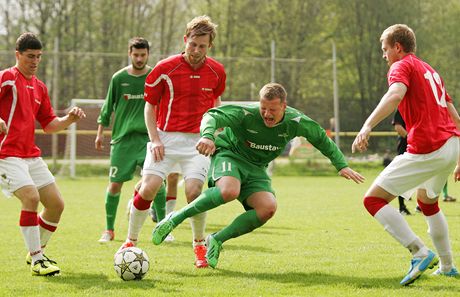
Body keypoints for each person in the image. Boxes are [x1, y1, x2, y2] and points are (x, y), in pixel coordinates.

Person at [152, 82, 364, 268]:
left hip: (257, 168)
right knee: (229, 190)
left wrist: (341, 165)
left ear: (284, 106)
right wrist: (207, 136)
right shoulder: (246, 113)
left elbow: (321, 138)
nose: (267, 114)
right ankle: (173, 219)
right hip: (230, 155)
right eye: (263, 108)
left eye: (273, 109)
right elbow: (213, 115)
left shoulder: (296, 121)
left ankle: (216, 240)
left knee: (267, 208)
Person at [352, 24, 460, 286]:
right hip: (451, 145)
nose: (384, 55)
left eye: (385, 49)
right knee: (428, 203)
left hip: (429, 148)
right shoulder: (431, 71)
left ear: (397, 47)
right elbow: (453, 115)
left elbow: (395, 94)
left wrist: (367, 125)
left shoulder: (401, 66)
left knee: (373, 200)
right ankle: (447, 266)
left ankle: (419, 251)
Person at [118, 15, 226, 269]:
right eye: (193, 44)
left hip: (197, 141)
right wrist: (154, 139)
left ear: (209, 45)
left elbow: (216, 105)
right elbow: (149, 107)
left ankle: (199, 244)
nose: (196, 50)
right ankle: (130, 241)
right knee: (148, 188)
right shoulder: (165, 68)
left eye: (202, 46)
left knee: (195, 193)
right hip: (164, 138)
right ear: (185, 40)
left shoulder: (217, 71)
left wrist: (212, 135)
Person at [0, 32, 86, 276]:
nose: (35, 61)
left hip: (30, 155)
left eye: (38, 57)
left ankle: (35, 250)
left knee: (56, 205)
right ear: (17, 55)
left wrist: (69, 118)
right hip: (6, 154)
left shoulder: (39, 87)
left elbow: (49, 125)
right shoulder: (7, 78)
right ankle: (38, 260)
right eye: (30, 56)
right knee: (30, 197)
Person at [95, 37, 167, 243]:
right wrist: (100, 132)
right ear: (129, 54)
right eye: (135, 55)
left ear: (148, 54)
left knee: (158, 184)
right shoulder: (118, 79)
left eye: (143, 55)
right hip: (123, 140)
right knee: (115, 185)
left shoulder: (155, 76)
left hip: (149, 138)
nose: (139, 58)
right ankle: (109, 230)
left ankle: (163, 229)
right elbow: (108, 107)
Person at [391, 110, 411, 215]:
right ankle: (402, 207)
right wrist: (412, 138)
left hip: (418, 147)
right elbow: (398, 127)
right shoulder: (401, 108)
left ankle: (421, 205)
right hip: (405, 148)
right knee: (402, 177)